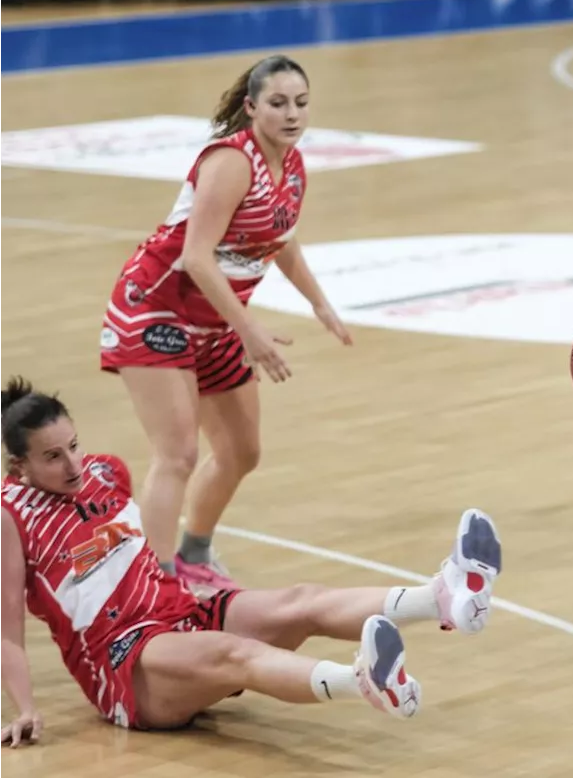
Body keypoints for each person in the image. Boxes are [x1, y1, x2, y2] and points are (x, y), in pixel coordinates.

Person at [0, 377, 502, 745]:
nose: (73, 465)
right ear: (18, 465)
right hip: (124, 661)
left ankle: (441, 599)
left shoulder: (107, 474)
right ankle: (364, 682)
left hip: (179, 613)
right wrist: (26, 709)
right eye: (53, 457)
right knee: (231, 653)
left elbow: (142, 560)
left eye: (74, 446)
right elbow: (8, 629)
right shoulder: (9, 516)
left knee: (299, 602)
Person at [99, 54, 350, 594]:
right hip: (155, 308)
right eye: (279, 103)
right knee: (178, 453)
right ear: (251, 106)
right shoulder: (231, 161)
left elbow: (279, 239)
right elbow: (195, 257)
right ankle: (155, 588)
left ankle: (194, 553)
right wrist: (251, 331)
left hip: (214, 322)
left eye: (301, 104)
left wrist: (319, 302)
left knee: (242, 450)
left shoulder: (293, 165)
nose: (292, 115)